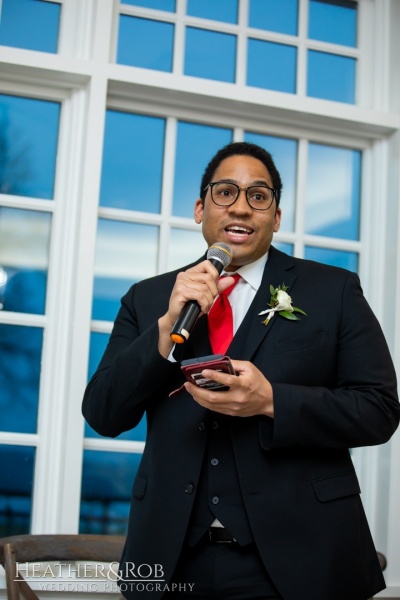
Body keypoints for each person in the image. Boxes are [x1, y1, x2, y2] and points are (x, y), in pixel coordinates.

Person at [82, 141, 399, 600]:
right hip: (172, 562)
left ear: (276, 216)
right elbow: (104, 413)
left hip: (300, 559)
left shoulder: (334, 291)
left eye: (258, 196)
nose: (242, 207)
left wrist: (272, 401)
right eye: (226, 192)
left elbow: (379, 409)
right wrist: (166, 327)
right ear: (199, 208)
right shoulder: (148, 299)